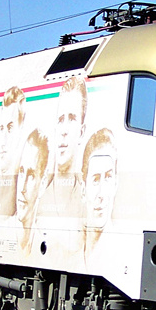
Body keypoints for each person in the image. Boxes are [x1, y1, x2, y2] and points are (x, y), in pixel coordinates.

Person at [41, 74, 87, 220]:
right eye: (61, 120)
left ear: (81, 132)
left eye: (72, 119)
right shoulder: (38, 202)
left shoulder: (87, 203)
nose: (64, 131)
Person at [81, 129, 119, 263]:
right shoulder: (70, 259)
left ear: (116, 183)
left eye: (108, 177)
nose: (101, 194)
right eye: (96, 179)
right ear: (83, 187)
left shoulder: (122, 257)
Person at [0, 86, 25, 218]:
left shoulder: (22, 190)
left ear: (21, 129)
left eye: (10, 128)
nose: (3, 140)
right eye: (1, 129)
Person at [13, 129, 50, 256]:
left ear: (43, 183)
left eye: (31, 175)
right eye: (22, 172)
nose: (22, 188)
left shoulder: (42, 241)